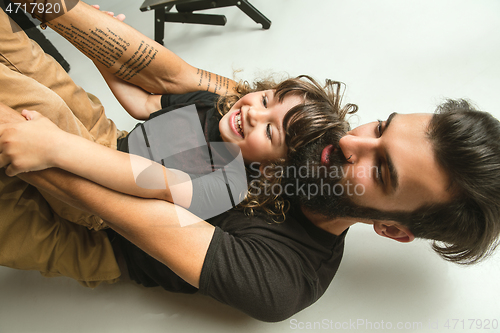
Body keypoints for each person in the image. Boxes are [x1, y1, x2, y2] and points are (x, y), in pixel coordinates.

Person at [1, 0, 500, 322]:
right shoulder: (302, 130)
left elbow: (134, 208)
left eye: (382, 169)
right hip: (105, 146)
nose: (352, 144)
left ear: (394, 231)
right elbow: (173, 80)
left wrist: (40, 144)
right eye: (382, 127)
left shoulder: (284, 279)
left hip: (83, 226)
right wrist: (52, 8)